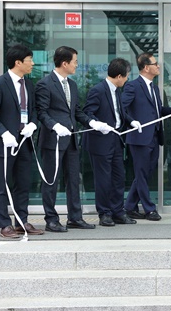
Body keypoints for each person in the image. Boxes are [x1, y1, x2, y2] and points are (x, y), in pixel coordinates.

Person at [35, 46, 112, 232]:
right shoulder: (45, 84)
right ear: (64, 63)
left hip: (71, 141)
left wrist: (93, 123)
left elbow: (77, 112)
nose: (77, 65)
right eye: (75, 61)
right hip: (52, 141)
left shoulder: (72, 85)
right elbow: (41, 112)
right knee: (51, 181)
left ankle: (75, 218)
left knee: (73, 180)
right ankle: (51, 219)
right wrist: (55, 126)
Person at [0, 45, 44, 238]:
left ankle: (21, 222)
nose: (32, 64)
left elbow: (33, 110)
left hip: (24, 142)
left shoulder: (29, 85)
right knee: (1, 185)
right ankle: (4, 225)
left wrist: (32, 124)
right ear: (18, 62)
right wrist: (4, 134)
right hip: (4, 144)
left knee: (23, 184)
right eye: (29, 60)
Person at [121, 53, 171, 221]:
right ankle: (149, 209)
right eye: (155, 64)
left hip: (154, 137)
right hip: (139, 137)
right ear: (146, 67)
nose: (158, 66)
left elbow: (158, 111)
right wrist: (131, 122)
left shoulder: (155, 88)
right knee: (142, 174)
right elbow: (121, 108)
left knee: (144, 174)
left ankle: (129, 207)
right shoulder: (132, 86)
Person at [82, 58, 142, 227]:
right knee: (103, 179)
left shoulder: (117, 91)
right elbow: (87, 113)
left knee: (118, 177)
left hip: (115, 139)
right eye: (126, 76)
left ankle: (118, 212)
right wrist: (98, 124)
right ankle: (104, 213)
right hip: (100, 140)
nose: (127, 79)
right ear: (119, 76)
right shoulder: (98, 90)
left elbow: (119, 112)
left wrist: (131, 121)